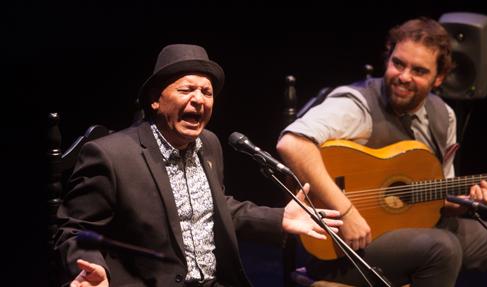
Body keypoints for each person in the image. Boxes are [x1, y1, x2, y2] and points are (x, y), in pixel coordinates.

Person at [55, 44, 343, 287]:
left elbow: (215, 206)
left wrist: (278, 218)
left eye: (207, 92)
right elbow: (76, 229)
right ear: (156, 100)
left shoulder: (210, 144)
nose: (199, 100)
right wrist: (93, 268)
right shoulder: (111, 156)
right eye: (187, 89)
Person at [277, 18, 487, 287]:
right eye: (398, 63)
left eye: (419, 71)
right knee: (442, 248)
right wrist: (346, 210)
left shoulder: (443, 116)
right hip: (344, 246)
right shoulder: (358, 105)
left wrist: (467, 201)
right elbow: (291, 143)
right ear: (387, 58)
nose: (404, 76)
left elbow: (440, 197)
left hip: (417, 232)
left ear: (439, 78)